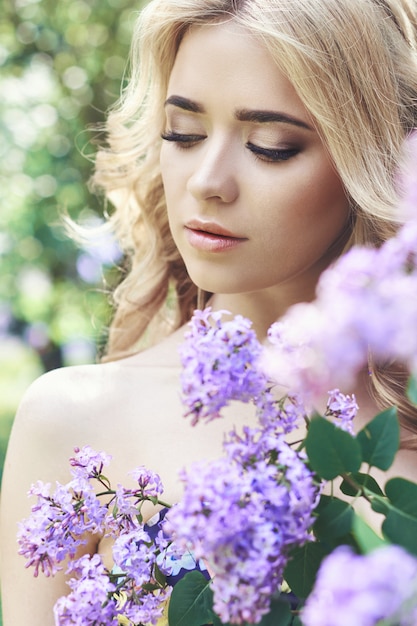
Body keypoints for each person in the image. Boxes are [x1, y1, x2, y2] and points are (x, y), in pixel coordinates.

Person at [2, 0, 417, 623]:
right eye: (184, 134)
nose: (207, 180)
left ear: (373, 161)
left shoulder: (401, 418)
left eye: (271, 146)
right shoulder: (74, 422)